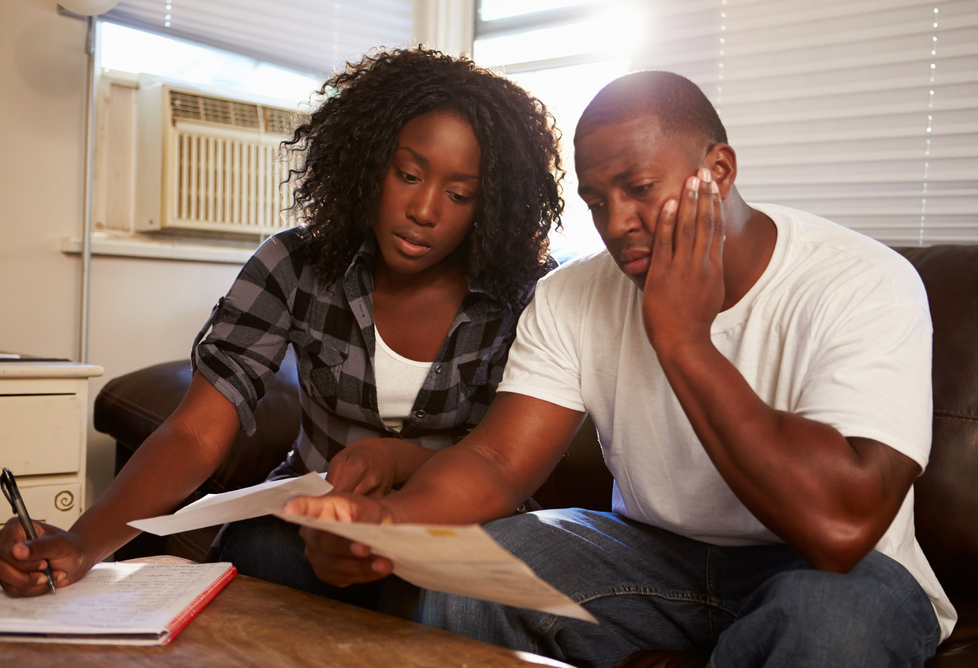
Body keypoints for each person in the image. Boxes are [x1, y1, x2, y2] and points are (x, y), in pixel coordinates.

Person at [281, 70, 956, 667]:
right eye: (597, 200)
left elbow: (840, 528)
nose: (617, 222)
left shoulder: (862, 281)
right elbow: (496, 462)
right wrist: (386, 527)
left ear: (718, 171)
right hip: (653, 560)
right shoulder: (573, 292)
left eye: (638, 188)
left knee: (837, 622)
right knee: (468, 574)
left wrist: (684, 338)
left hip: (829, 573)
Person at [0, 46, 564, 610]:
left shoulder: (528, 294)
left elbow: (499, 460)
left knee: (472, 595)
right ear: (368, 164)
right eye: (408, 174)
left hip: (460, 536)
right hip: (312, 530)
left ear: (490, 204)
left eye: (459, 194)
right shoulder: (293, 266)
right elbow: (197, 431)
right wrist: (81, 544)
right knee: (252, 549)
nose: (424, 209)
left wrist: (393, 482)